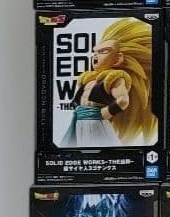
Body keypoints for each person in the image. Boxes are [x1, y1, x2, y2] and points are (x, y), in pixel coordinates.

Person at [62, 17, 156, 147]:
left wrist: (104, 113)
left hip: (96, 123)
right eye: (95, 52)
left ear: (118, 59)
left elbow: (123, 101)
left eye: (103, 51)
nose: (96, 55)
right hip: (79, 122)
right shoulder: (88, 79)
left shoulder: (115, 77)